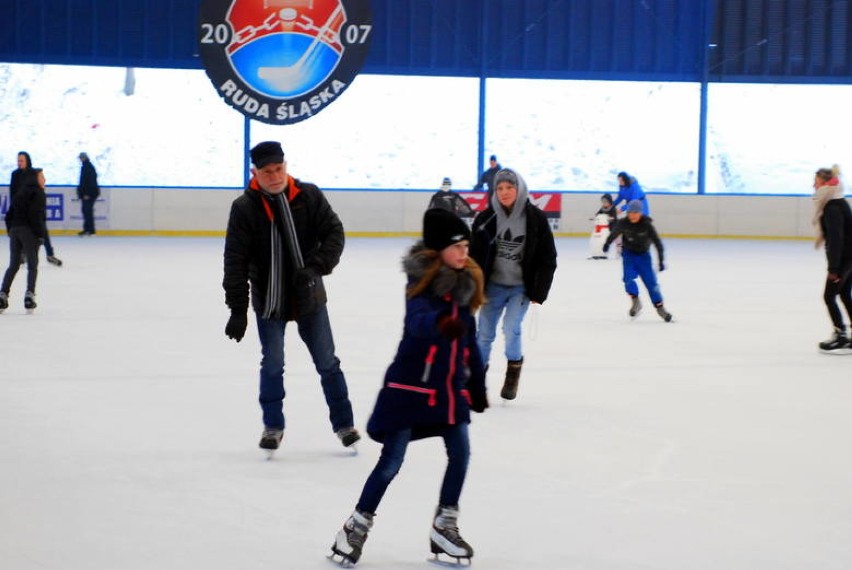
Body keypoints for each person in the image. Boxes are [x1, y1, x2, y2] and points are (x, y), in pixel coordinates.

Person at [330, 208, 488, 567]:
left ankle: (444, 526)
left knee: (461, 454)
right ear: (438, 250)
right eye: (456, 247)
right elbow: (417, 323)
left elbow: (470, 344)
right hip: (409, 391)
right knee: (391, 463)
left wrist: (477, 386)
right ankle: (354, 527)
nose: (464, 253)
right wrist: (440, 322)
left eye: (466, 246)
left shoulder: (465, 289)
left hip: (447, 392)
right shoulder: (421, 285)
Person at [222, 141, 360, 454]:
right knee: (273, 364)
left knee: (327, 362)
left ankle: (345, 426)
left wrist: (315, 267)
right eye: (267, 171)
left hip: (309, 296)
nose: (274, 176)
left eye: (279, 169)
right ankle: (273, 427)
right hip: (269, 299)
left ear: (286, 166)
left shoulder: (308, 196)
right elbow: (235, 260)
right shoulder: (245, 208)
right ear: (255, 172)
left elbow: (334, 233)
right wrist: (238, 309)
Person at [470, 168, 557, 401]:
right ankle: (476, 381)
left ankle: (513, 372)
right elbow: (473, 257)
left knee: (511, 328)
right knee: (484, 335)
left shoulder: (535, 219)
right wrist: (472, 289)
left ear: (519, 189)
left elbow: (548, 258)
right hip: (492, 287)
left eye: (509, 187)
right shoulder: (485, 218)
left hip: (521, 287)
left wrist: (540, 291)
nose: (505, 192)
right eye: (500, 188)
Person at [602, 199, 673, 322]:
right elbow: (614, 233)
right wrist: (607, 244)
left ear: (640, 213)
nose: (632, 215)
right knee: (628, 279)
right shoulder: (623, 223)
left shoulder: (647, 224)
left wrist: (661, 260)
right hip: (628, 255)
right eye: (630, 212)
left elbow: (657, 243)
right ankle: (636, 301)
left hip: (643, 256)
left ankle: (660, 308)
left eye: (635, 213)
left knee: (651, 284)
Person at [811, 166, 852, 352]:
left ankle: (840, 334)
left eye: (816, 181)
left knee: (829, 296)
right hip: (849, 257)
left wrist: (834, 269)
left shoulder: (832, 207)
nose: (813, 184)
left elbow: (837, 240)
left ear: (825, 183)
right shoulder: (838, 200)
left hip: (844, 258)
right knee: (844, 294)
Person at [1, 169, 46, 312]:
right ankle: (29, 295)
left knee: (13, 264)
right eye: (42, 177)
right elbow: (35, 215)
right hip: (28, 231)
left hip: (15, 230)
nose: (44, 180)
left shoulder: (20, 193)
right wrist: (39, 235)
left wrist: (11, 231)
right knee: (32, 265)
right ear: (35, 178)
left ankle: (3, 294)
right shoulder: (38, 193)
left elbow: (8, 215)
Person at [9, 152, 62, 266]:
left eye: (22, 160)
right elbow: (13, 193)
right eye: (18, 161)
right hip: (21, 210)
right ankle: (24, 254)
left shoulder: (33, 173)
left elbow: (38, 189)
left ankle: (50, 254)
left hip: (34, 209)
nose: (19, 163)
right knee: (25, 233)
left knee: (43, 231)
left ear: (27, 160)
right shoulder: (15, 174)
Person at [589, 193, 618, 260]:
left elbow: (614, 217)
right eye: (603, 202)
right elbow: (598, 214)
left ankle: (615, 251)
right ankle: (598, 251)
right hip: (604, 227)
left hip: (613, 226)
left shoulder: (612, 208)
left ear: (609, 202)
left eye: (605, 202)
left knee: (611, 239)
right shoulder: (602, 208)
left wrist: (610, 218)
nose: (604, 203)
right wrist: (594, 218)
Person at [77, 152, 99, 236]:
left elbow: (90, 182)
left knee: (87, 210)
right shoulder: (86, 166)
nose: (80, 159)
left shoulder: (88, 167)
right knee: (86, 210)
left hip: (90, 193)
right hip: (88, 193)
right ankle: (87, 229)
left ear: (84, 158)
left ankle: (90, 230)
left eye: (81, 158)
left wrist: (87, 194)